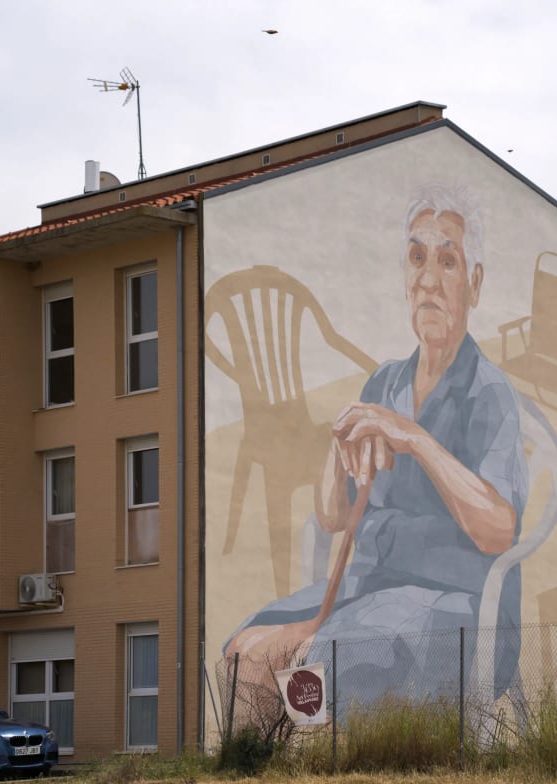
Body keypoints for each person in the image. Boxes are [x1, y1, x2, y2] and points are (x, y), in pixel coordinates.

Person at [225, 184, 528, 701]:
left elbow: (499, 531)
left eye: (447, 261)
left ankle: (331, 771)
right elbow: (331, 517)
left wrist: (414, 438)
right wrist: (336, 443)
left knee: (319, 660)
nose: (428, 279)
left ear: (473, 284)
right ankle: (265, 773)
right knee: (244, 652)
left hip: (458, 604)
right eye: (416, 258)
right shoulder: (384, 385)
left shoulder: (488, 391)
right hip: (367, 587)